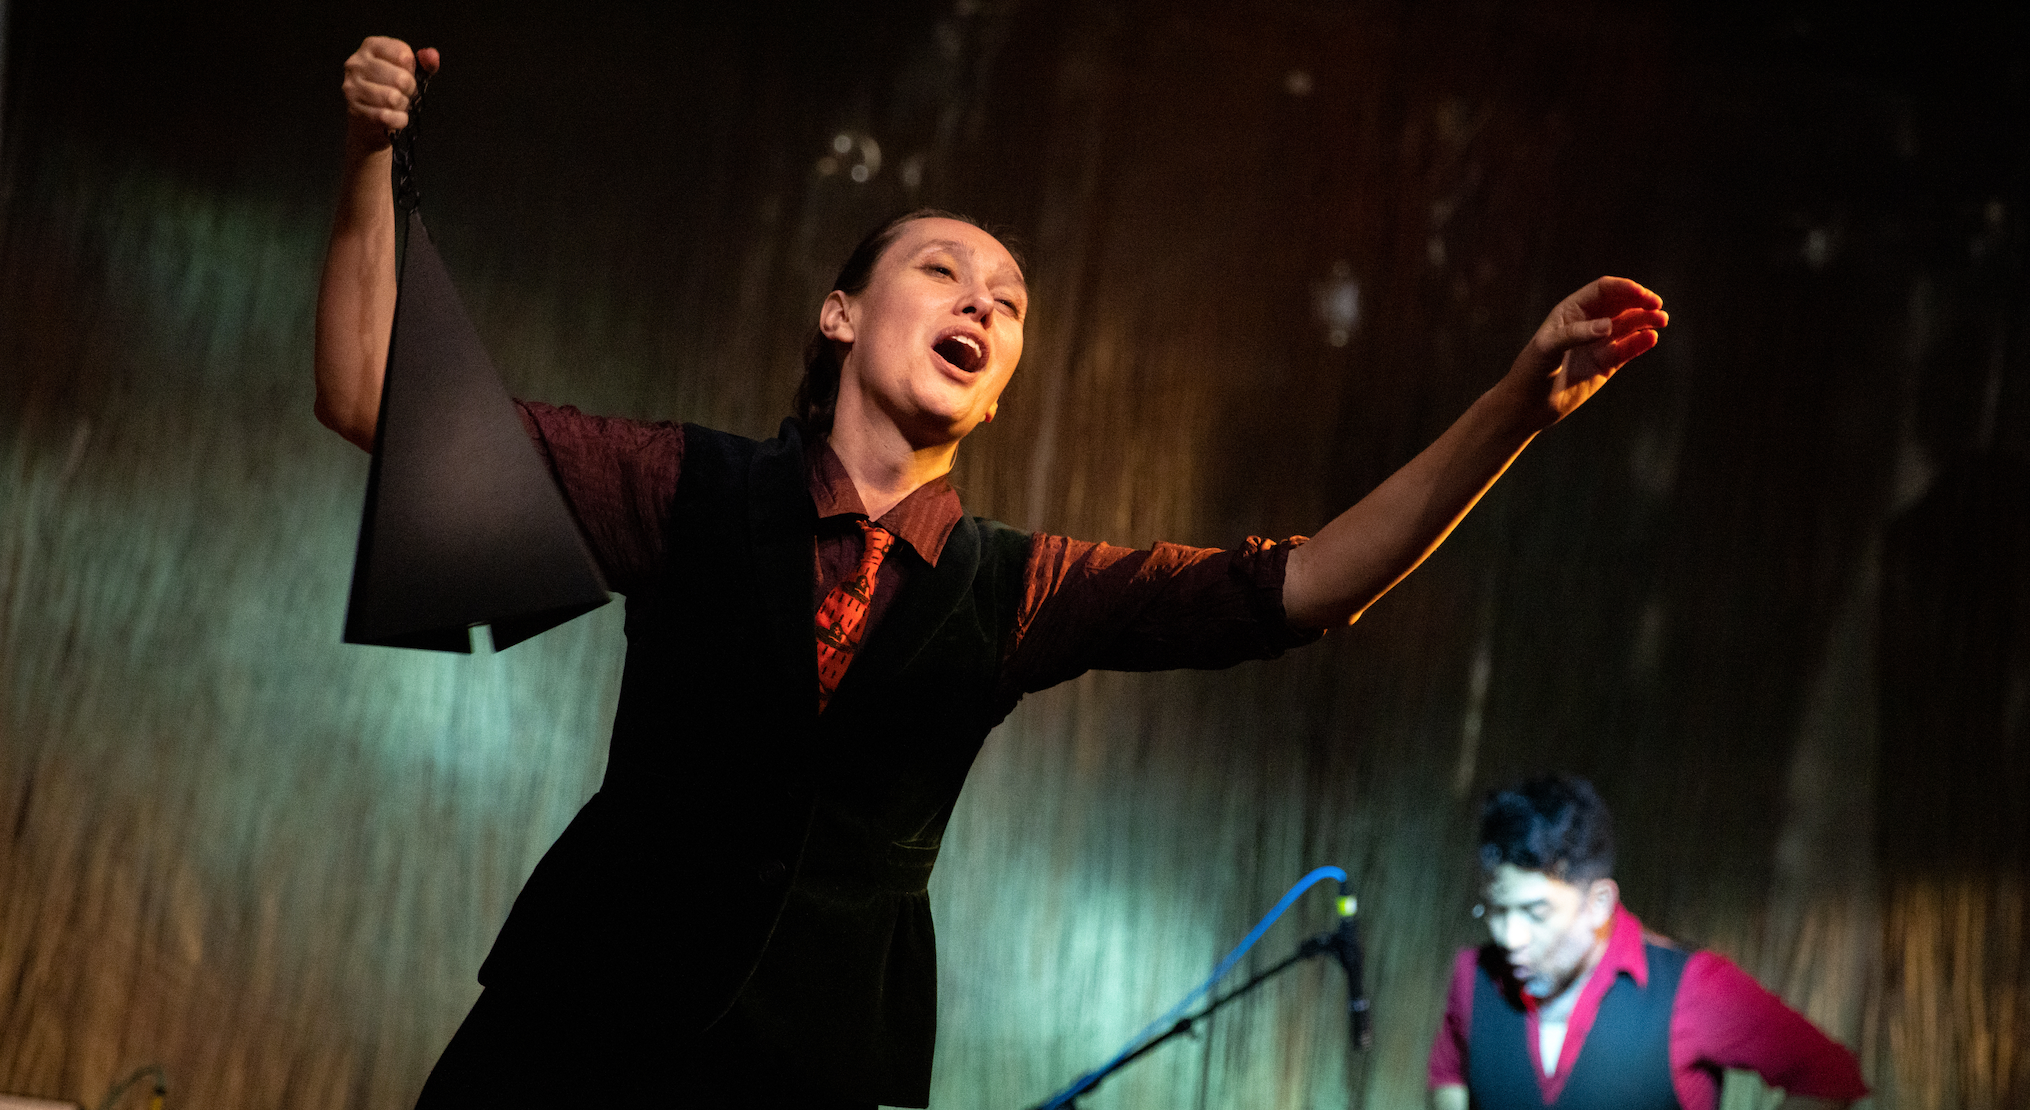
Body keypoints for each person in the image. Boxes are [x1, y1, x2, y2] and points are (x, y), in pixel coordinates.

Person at [319, 37, 1670, 1110]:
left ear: (1003, 380)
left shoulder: (1018, 586)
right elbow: (374, 393)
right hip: (577, 1027)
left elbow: (1308, 586)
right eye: (943, 270)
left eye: (1008, 301)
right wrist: (373, 155)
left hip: (814, 1064)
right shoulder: (688, 486)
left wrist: (1514, 407)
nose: (981, 301)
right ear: (841, 314)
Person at [1430, 775, 1870, 1110]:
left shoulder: (1691, 986)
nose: (1509, 937)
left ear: (1598, 904)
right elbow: (1447, 1075)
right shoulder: (1472, 976)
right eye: (1496, 910)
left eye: (1535, 913)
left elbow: (1830, 1075)